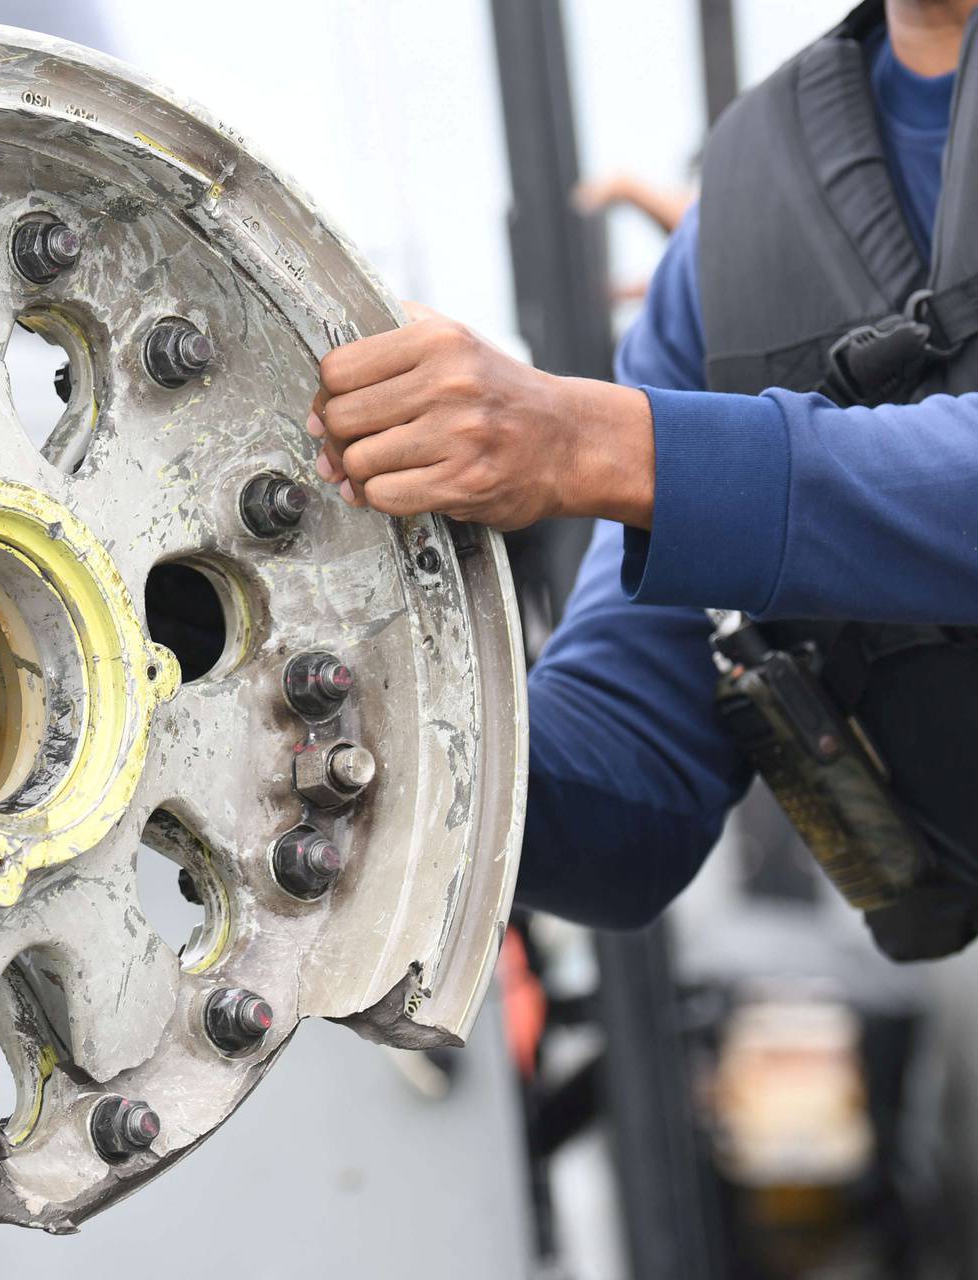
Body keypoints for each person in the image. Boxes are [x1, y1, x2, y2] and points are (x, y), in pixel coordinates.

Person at [305, 0, 978, 937]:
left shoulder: (618, 421)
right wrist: (330, 723)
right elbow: (638, 781)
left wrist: (592, 443)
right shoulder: (733, 239)